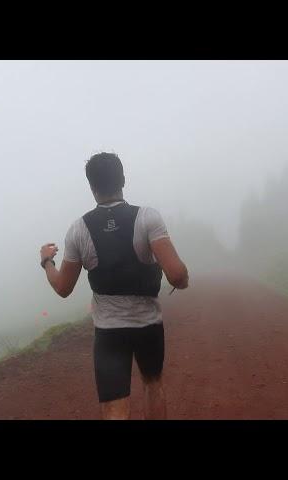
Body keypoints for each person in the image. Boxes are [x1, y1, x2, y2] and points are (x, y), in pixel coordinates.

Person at [39, 152, 189, 420]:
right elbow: (177, 275)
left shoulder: (78, 229)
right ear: (122, 179)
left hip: (109, 332)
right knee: (153, 385)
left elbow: (63, 288)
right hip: (148, 326)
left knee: (114, 403)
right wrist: (183, 280)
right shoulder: (148, 218)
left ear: (91, 186)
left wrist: (47, 261)